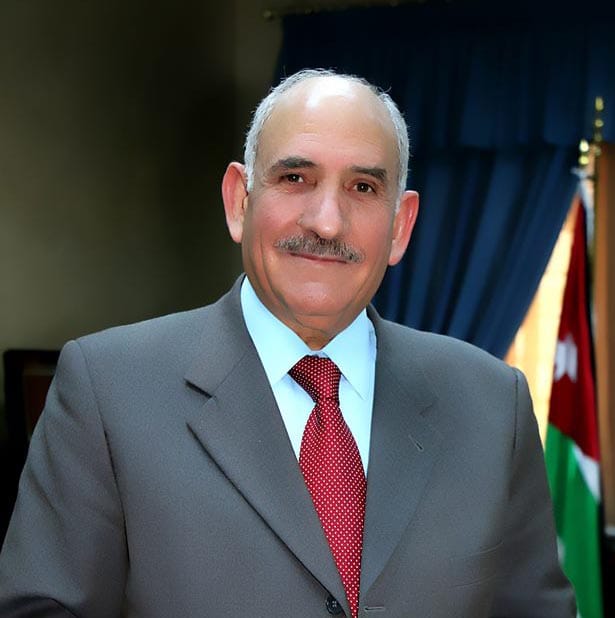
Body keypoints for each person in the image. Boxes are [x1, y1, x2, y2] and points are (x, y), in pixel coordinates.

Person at [0, 69, 575, 617]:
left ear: (401, 226)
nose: (326, 222)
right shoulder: (108, 391)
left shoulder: (492, 403)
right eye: (295, 178)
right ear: (239, 200)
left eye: (363, 186)